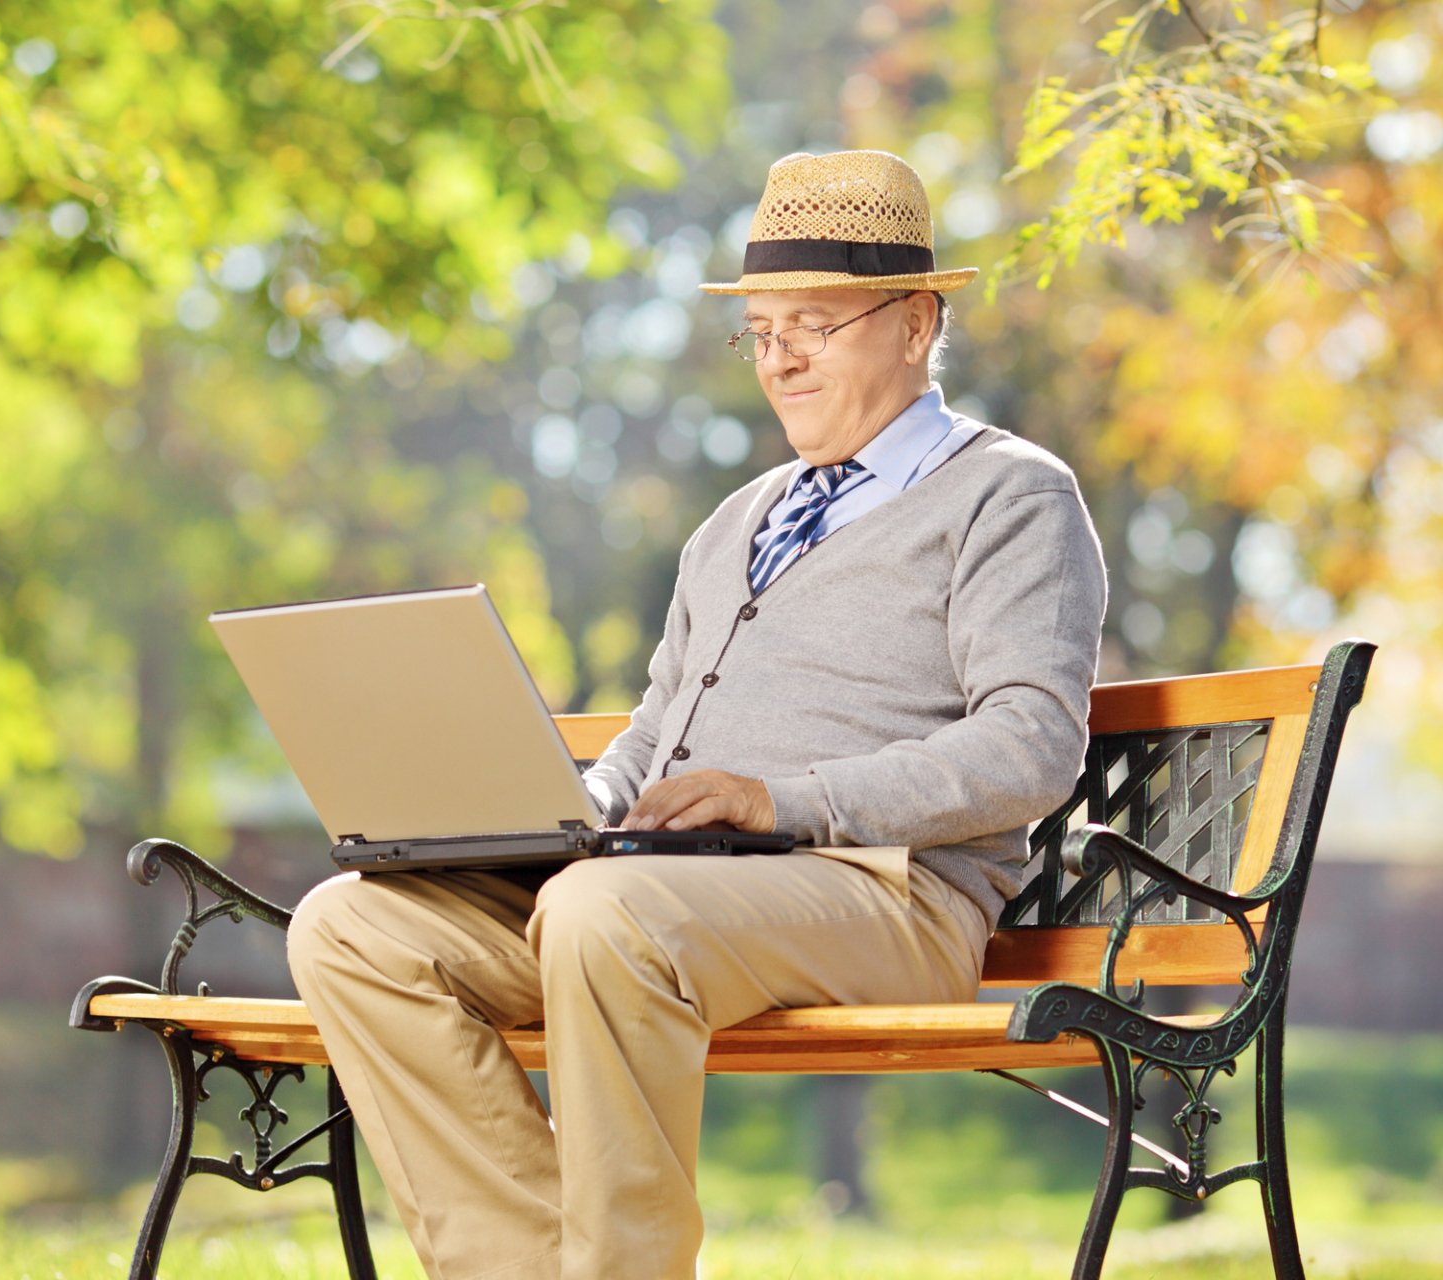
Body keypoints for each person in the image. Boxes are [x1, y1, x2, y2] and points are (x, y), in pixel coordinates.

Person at [286, 149, 1107, 1280]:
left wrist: (782, 802)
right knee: (351, 924)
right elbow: (657, 724)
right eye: (762, 331)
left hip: (885, 895)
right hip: (648, 896)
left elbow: (1031, 743)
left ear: (916, 323)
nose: (780, 361)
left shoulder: (1012, 494)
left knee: (607, 914)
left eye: (812, 324)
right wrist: (565, 810)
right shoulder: (736, 521)